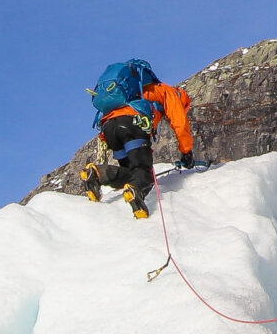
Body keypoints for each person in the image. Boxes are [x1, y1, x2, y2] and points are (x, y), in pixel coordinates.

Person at [78, 59, 196, 220]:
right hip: (133, 125)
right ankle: (135, 192)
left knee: (131, 173)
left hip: (110, 128)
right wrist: (186, 152)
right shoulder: (168, 92)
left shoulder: (134, 92)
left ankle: (98, 174)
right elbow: (180, 123)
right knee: (144, 174)